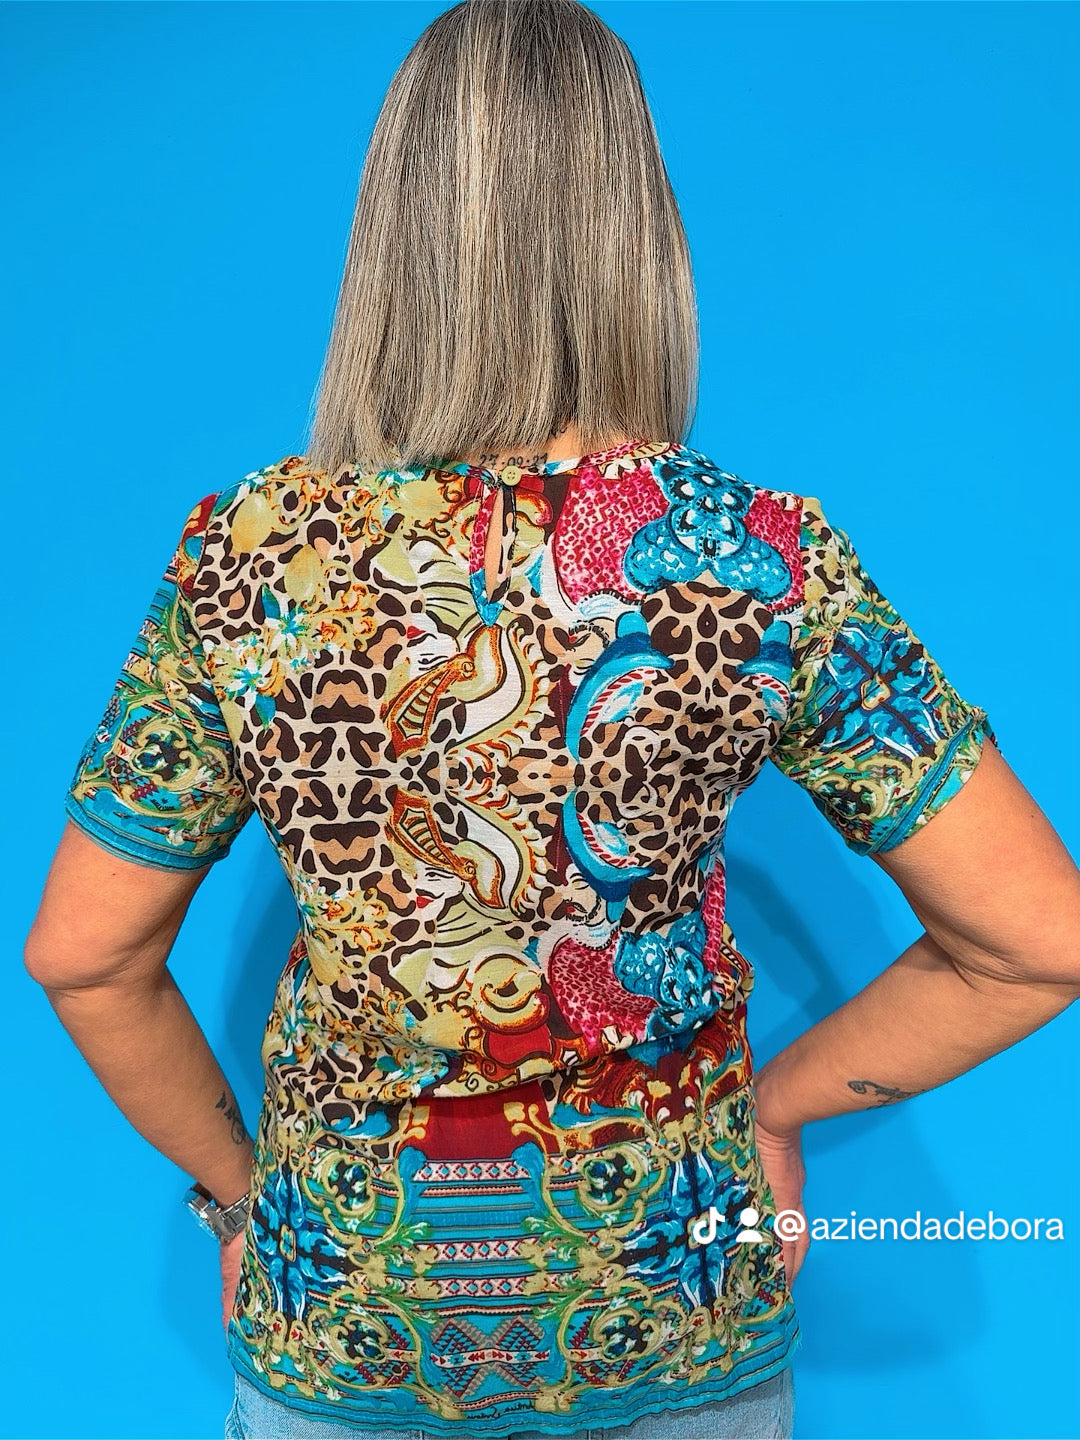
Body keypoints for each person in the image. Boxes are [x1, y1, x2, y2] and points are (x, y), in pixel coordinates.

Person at [24, 2, 1080, 1439]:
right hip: (677, 1309)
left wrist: (245, 1197)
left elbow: (86, 956)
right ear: (642, 234)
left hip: (352, 1321)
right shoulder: (757, 563)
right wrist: (772, 1113)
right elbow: (1033, 943)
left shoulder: (248, 564)